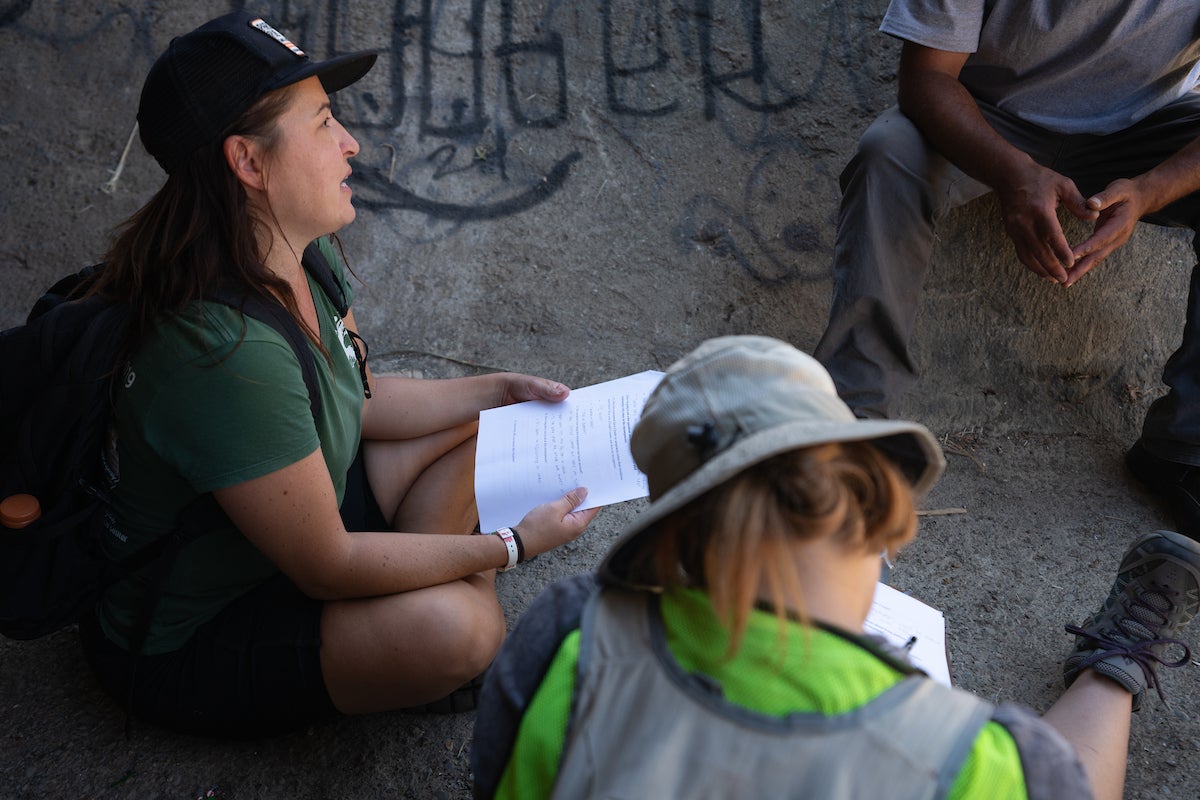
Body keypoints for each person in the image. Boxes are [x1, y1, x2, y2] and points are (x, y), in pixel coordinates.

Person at [75, 10, 598, 737]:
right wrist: (509, 548)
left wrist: (495, 389)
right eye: (323, 124)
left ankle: (411, 592)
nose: (351, 143)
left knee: (497, 430)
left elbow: (357, 398)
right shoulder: (224, 353)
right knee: (466, 634)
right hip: (198, 627)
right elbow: (327, 564)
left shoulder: (294, 248)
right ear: (248, 164)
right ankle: (414, 619)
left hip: (291, 521)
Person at [471, 335, 1200, 800]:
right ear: (873, 504)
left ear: (673, 532)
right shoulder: (982, 762)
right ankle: (1115, 669)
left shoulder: (569, 636)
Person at [811, 1, 1200, 538]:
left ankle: (1184, 447)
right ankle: (853, 428)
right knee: (888, 155)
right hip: (989, 116)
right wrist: (1015, 174)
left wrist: (1151, 190)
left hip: (1144, 129)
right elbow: (926, 78)